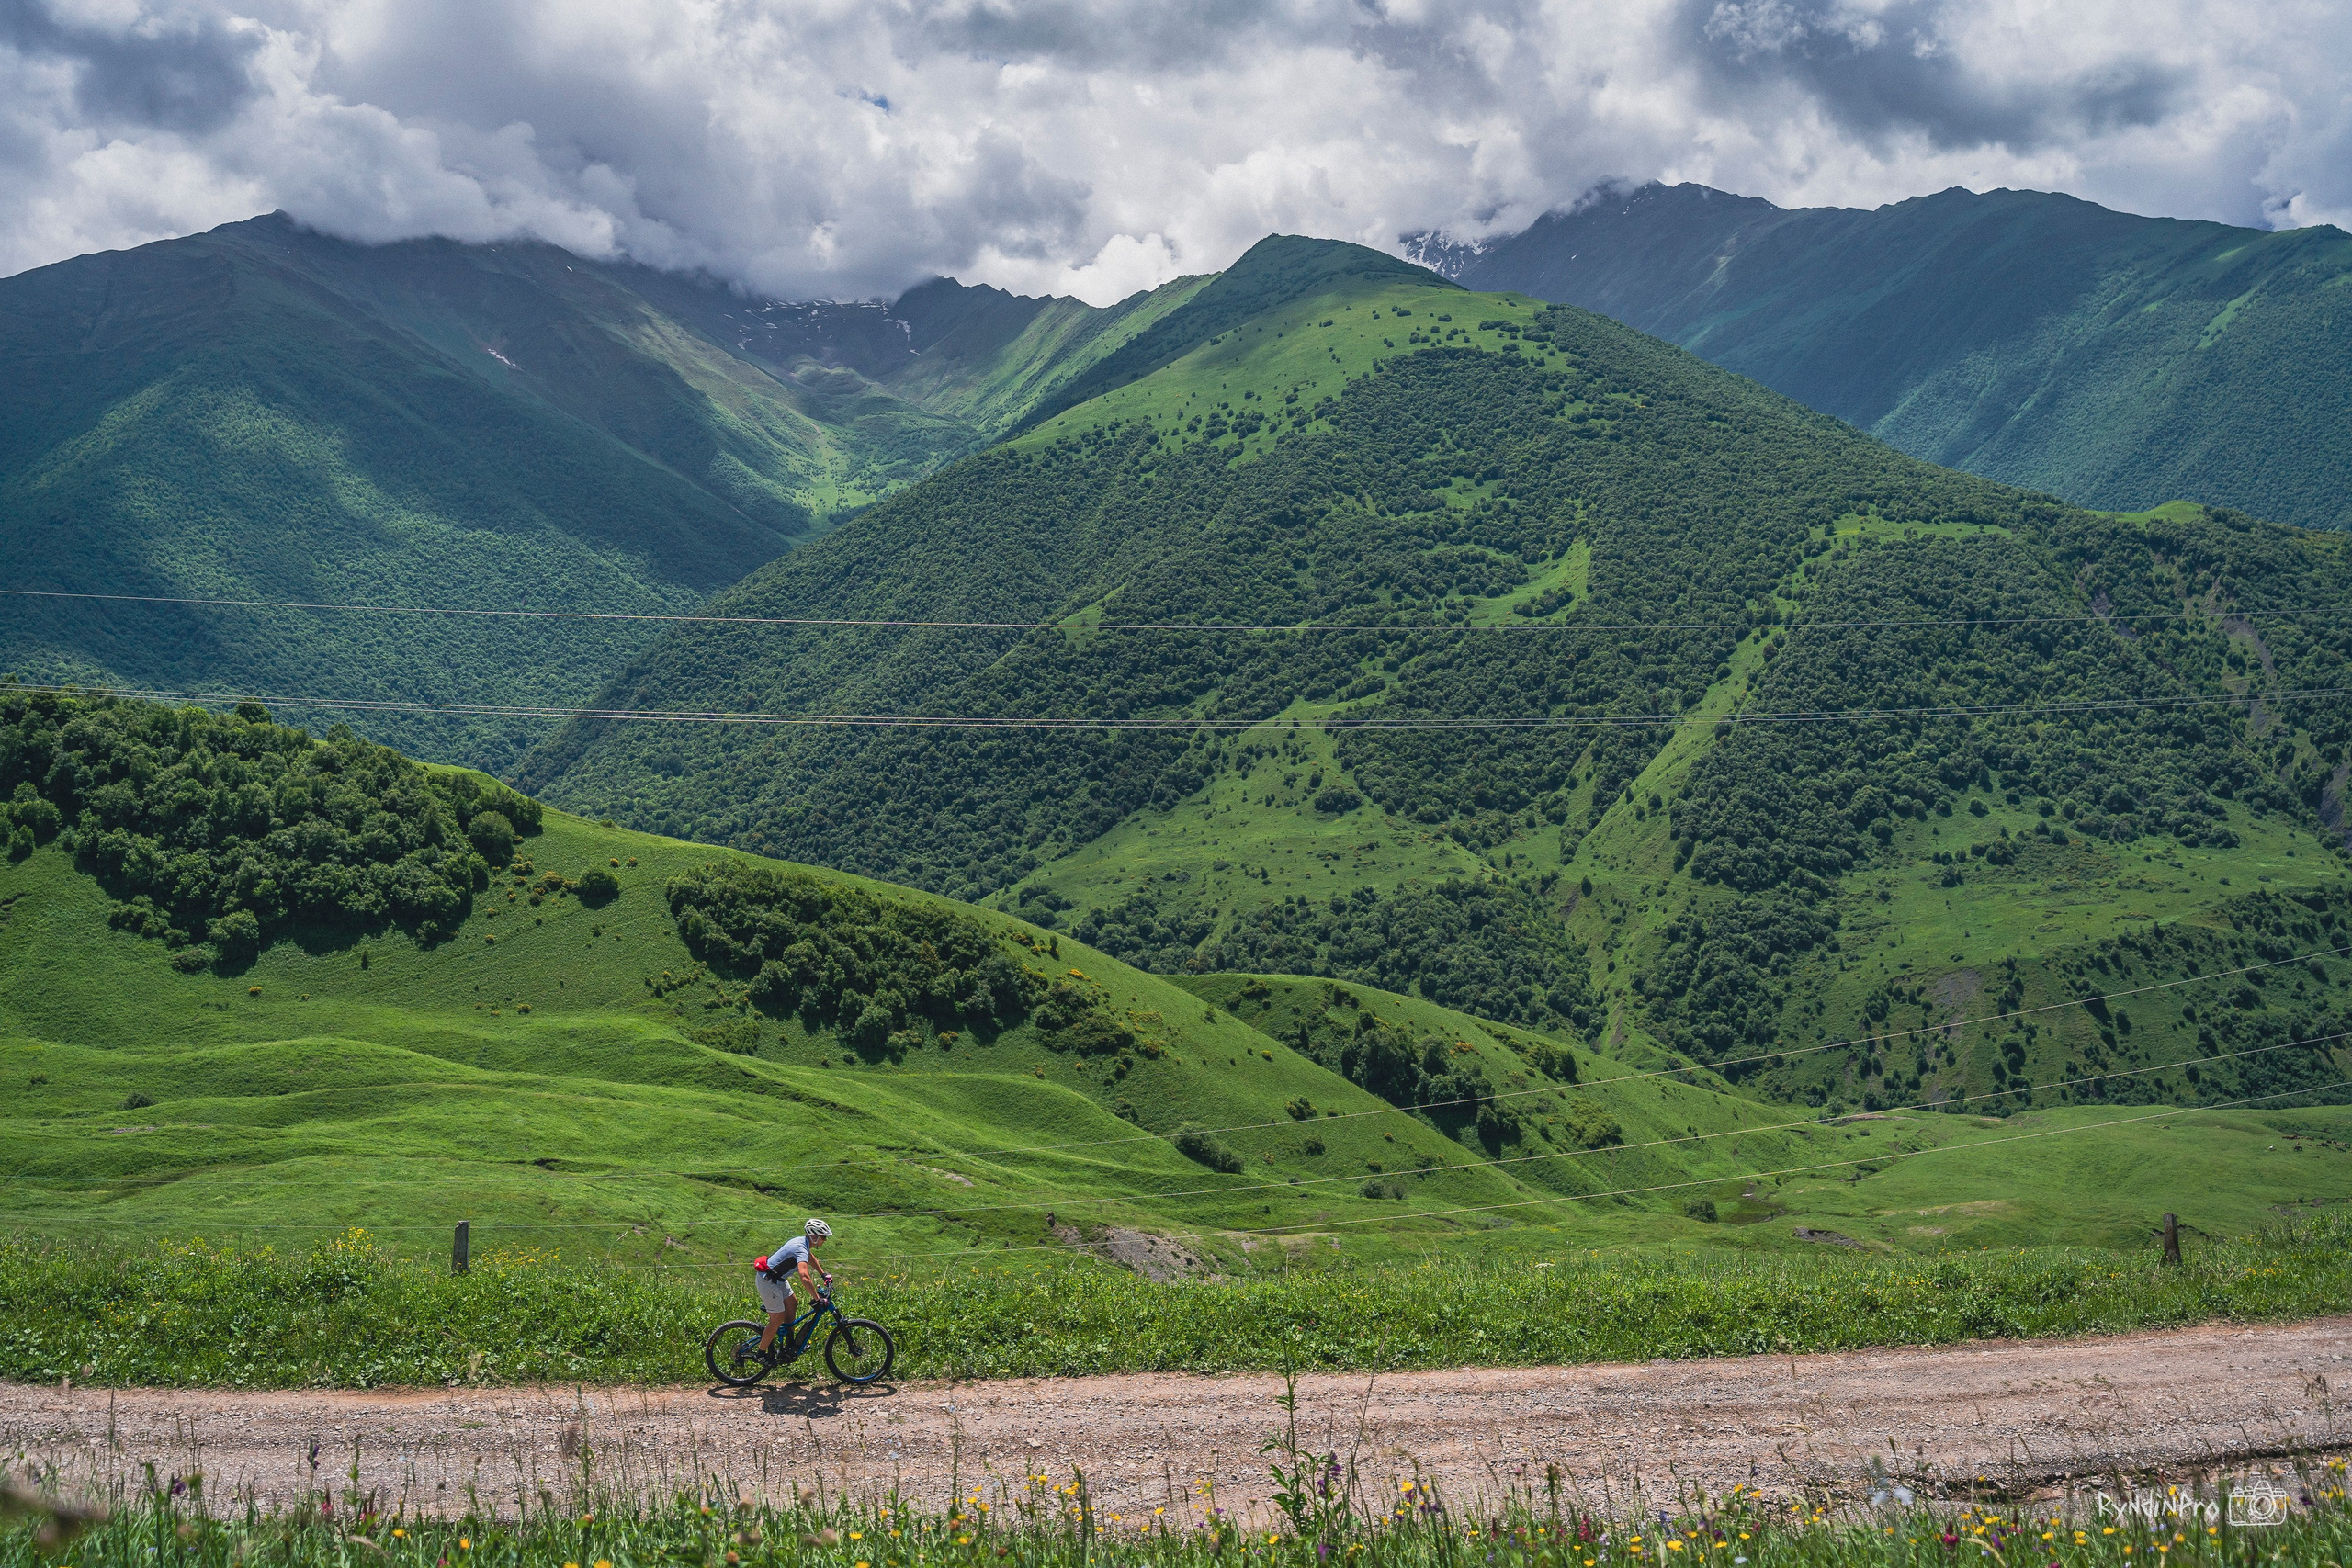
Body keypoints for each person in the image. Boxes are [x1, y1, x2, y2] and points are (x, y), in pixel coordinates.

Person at [753, 1217, 832, 1358]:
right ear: (814, 1237)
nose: (825, 1240)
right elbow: (804, 1276)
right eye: (823, 1237)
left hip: (777, 1279)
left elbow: (810, 1257)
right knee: (777, 1319)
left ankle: (789, 1345)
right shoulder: (800, 1248)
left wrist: (823, 1274)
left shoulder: (803, 1243)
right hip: (768, 1281)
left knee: (792, 1303)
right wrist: (817, 1298)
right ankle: (761, 1354)